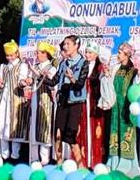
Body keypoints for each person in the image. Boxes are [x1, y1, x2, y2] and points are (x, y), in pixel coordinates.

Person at [52, 35, 90, 166]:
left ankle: (81, 166)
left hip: (75, 102)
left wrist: (72, 78)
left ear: (76, 46)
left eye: (68, 44)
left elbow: (80, 84)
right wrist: (40, 77)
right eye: (64, 44)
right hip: (62, 100)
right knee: (57, 133)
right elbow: (54, 80)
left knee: (70, 136)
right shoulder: (63, 63)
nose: (65, 46)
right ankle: (59, 165)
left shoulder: (83, 63)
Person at [104, 43, 139, 174]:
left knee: (126, 131)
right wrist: (107, 75)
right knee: (115, 130)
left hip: (127, 105)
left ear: (127, 54)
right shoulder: (116, 68)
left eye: (120, 52)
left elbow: (136, 88)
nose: (117, 55)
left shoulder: (134, 70)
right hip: (116, 105)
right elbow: (110, 85)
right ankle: (113, 161)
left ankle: (126, 163)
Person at [0, 42, 28, 161]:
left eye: (11, 55)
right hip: (5, 98)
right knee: (3, 123)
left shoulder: (22, 66)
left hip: (16, 98)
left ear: (17, 54)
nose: (9, 58)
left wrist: (23, 83)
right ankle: (4, 154)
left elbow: (22, 79)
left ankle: (15, 155)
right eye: (7, 56)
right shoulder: (3, 67)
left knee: (15, 125)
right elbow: (0, 82)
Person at [74, 43, 105, 168]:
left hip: (94, 104)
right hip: (82, 103)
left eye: (90, 52)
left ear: (96, 54)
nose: (87, 55)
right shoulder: (82, 65)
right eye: (86, 52)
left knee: (96, 132)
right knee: (82, 130)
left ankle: (95, 161)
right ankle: (83, 161)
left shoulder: (100, 67)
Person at [29, 42, 58, 164]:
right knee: (34, 127)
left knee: (44, 126)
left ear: (46, 54)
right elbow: (31, 81)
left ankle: (44, 158)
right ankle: (33, 158)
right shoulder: (35, 66)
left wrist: (41, 75)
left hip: (46, 100)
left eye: (39, 53)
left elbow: (52, 84)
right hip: (35, 100)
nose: (36, 55)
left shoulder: (52, 68)